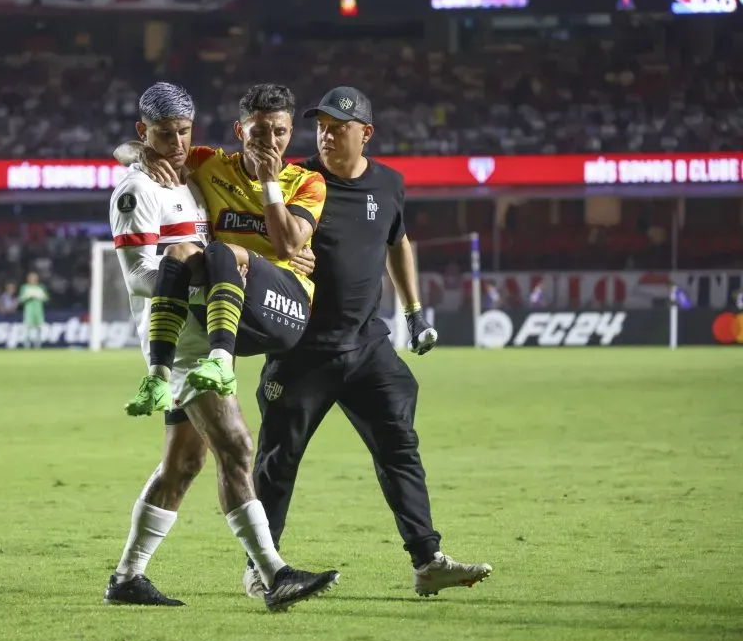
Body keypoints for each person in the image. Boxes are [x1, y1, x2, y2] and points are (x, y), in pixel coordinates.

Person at [129, 86, 493, 599]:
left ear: (365, 133)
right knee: (270, 461)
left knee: (399, 447)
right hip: (300, 348)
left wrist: (413, 312)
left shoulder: (356, 183)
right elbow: (164, 150)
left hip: (366, 344)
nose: (323, 135)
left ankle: (427, 559)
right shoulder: (252, 171)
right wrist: (139, 153)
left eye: (336, 127)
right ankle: (260, 569)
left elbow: (396, 242)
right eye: (320, 126)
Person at [104, 81, 338, 612]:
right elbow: (138, 275)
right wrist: (197, 271)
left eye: (184, 132)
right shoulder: (137, 188)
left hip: (199, 324)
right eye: (164, 135)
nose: (177, 144)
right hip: (178, 336)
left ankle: (127, 578)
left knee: (184, 463)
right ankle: (274, 573)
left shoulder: (191, 175)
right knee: (236, 446)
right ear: (144, 132)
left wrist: (269, 263)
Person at [120, 83, 327, 415]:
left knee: (219, 252)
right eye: (259, 132)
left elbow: (288, 246)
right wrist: (142, 153)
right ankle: (158, 377)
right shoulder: (210, 165)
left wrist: (269, 181)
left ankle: (220, 363)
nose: (270, 142)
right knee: (180, 254)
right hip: (228, 305)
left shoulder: (307, 182)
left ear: (291, 132)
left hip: (286, 307)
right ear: (240, 131)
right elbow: (138, 148)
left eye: (279, 132)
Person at [18, 272, 47, 349]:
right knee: (27, 327)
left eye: (34, 278)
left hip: (38, 311)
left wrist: (41, 296)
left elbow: (46, 298)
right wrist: (28, 296)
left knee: (39, 327)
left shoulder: (40, 287)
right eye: (31, 278)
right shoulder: (25, 287)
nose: (33, 279)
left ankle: (37, 345)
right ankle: (26, 345)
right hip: (29, 310)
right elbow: (20, 299)